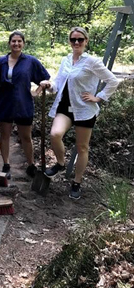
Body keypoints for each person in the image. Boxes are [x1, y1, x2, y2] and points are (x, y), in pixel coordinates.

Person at [39, 27, 119, 200]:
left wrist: (98, 97)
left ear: (86, 41)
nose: (76, 42)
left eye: (80, 39)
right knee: (55, 134)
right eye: (73, 39)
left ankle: (77, 182)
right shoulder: (65, 60)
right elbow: (58, 84)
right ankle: (60, 163)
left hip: (84, 110)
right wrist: (49, 85)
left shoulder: (92, 61)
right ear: (69, 41)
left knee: (82, 147)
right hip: (65, 107)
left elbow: (112, 81)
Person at [0, 30, 51, 179]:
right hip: (5, 103)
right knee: (5, 135)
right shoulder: (0, 61)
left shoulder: (31, 61)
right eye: (13, 41)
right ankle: (6, 164)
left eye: (19, 41)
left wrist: (37, 91)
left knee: (26, 137)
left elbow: (45, 79)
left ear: (23, 43)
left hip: (23, 103)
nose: (16, 44)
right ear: (9, 43)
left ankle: (30, 165)